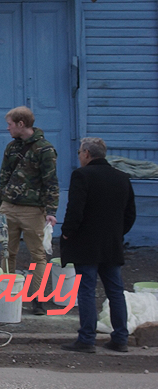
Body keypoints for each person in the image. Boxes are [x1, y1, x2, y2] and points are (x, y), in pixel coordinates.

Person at [59, 137, 136, 353]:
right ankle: (121, 338)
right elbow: (130, 213)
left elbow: (75, 209)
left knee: (86, 291)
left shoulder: (82, 175)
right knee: (115, 291)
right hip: (112, 244)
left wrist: (67, 233)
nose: (79, 157)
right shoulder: (122, 177)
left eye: (79, 153)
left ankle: (86, 339)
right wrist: (116, 233)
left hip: (86, 245)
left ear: (86, 154)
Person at [0, 106, 59, 316]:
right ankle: (8, 296)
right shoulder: (11, 148)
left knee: (38, 256)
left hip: (33, 210)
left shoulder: (45, 150)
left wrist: (51, 210)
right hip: (8, 207)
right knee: (7, 252)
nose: (7, 128)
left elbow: (51, 182)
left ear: (21, 124)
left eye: (10, 124)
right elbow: (4, 179)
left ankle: (37, 299)